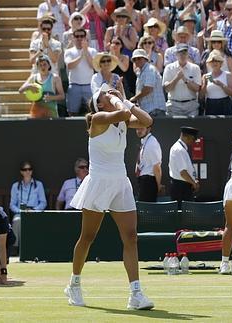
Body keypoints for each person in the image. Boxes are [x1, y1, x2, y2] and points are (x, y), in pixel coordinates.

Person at [65, 84, 154, 310]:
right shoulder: (98, 119)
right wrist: (119, 98)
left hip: (120, 183)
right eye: (105, 94)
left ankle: (136, 293)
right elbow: (123, 112)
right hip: (99, 184)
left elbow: (147, 121)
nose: (110, 94)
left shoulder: (122, 118)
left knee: (131, 237)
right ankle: (74, 284)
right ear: (99, 104)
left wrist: (127, 100)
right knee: (88, 237)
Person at [9, 161, 47, 250]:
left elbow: (43, 202)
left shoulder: (39, 184)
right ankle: (15, 247)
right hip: (20, 212)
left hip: (34, 212)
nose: (27, 171)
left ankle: (35, 247)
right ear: (21, 172)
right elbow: (12, 204)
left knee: (38, 221)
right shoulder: (15, 186)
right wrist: (20, 211)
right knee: (17, 220)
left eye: (29, 169)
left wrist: (34, 210)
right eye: (25, 169)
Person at [64, 28, 97, 116]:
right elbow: (70, 66)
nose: (79, 38)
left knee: (92, 111)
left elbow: (93, 66)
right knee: (72, 112)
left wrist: (86, 52)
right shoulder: (69, 51)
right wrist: (81, 56)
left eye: (82, 36)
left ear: (85, 37)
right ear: (73, 38)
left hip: (89, 85)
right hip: (74, 85)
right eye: (77, 36)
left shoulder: (92, 51)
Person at [163, 44, 202, 117]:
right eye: (180, 53)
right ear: (176, 54)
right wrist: (177, 78)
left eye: (184, 53)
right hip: (174, 107)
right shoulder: (169, 68)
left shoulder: (195, 68)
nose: (182, 55)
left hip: (191, 107)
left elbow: (197, 89)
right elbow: (167, 89)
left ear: (188, 54)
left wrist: (185, 79)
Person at [129, 49, 166, 117]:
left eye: (139, 58)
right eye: (134, 59)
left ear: (145, 59)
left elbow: (148, 89)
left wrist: (134, 98)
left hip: (155, 111)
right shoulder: (141, 72)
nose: (137, 61)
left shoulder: (149, 69)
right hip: (149, 111)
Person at [168, 126, 199, 207]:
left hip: (182, 187)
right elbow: (183, 173)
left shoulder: (181, 149)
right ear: (186, 137)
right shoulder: (179, 149)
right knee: (183, 215)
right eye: (193, 139)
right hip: (181, 188)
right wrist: (194, 183)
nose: (194, 141)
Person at [200, 49, 232, 116]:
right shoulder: (206, 76)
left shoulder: (227, 75)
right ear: (209, 63)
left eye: (217, 61)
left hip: (225, 104)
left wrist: (221, 85)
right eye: (212, 61)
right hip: (210, 104)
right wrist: (205, 84)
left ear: (221, 63)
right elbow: (201, 96)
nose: (214, 63)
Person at [135, 126, 163, 202]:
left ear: (149, 129)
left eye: (141, 128)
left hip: (149, 182)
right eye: (137, 128)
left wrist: (158, 185)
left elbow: (156, 167)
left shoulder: (152, 143)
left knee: (146, 211)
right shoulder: (145, 141)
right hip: (144, 182)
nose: (138, 131)